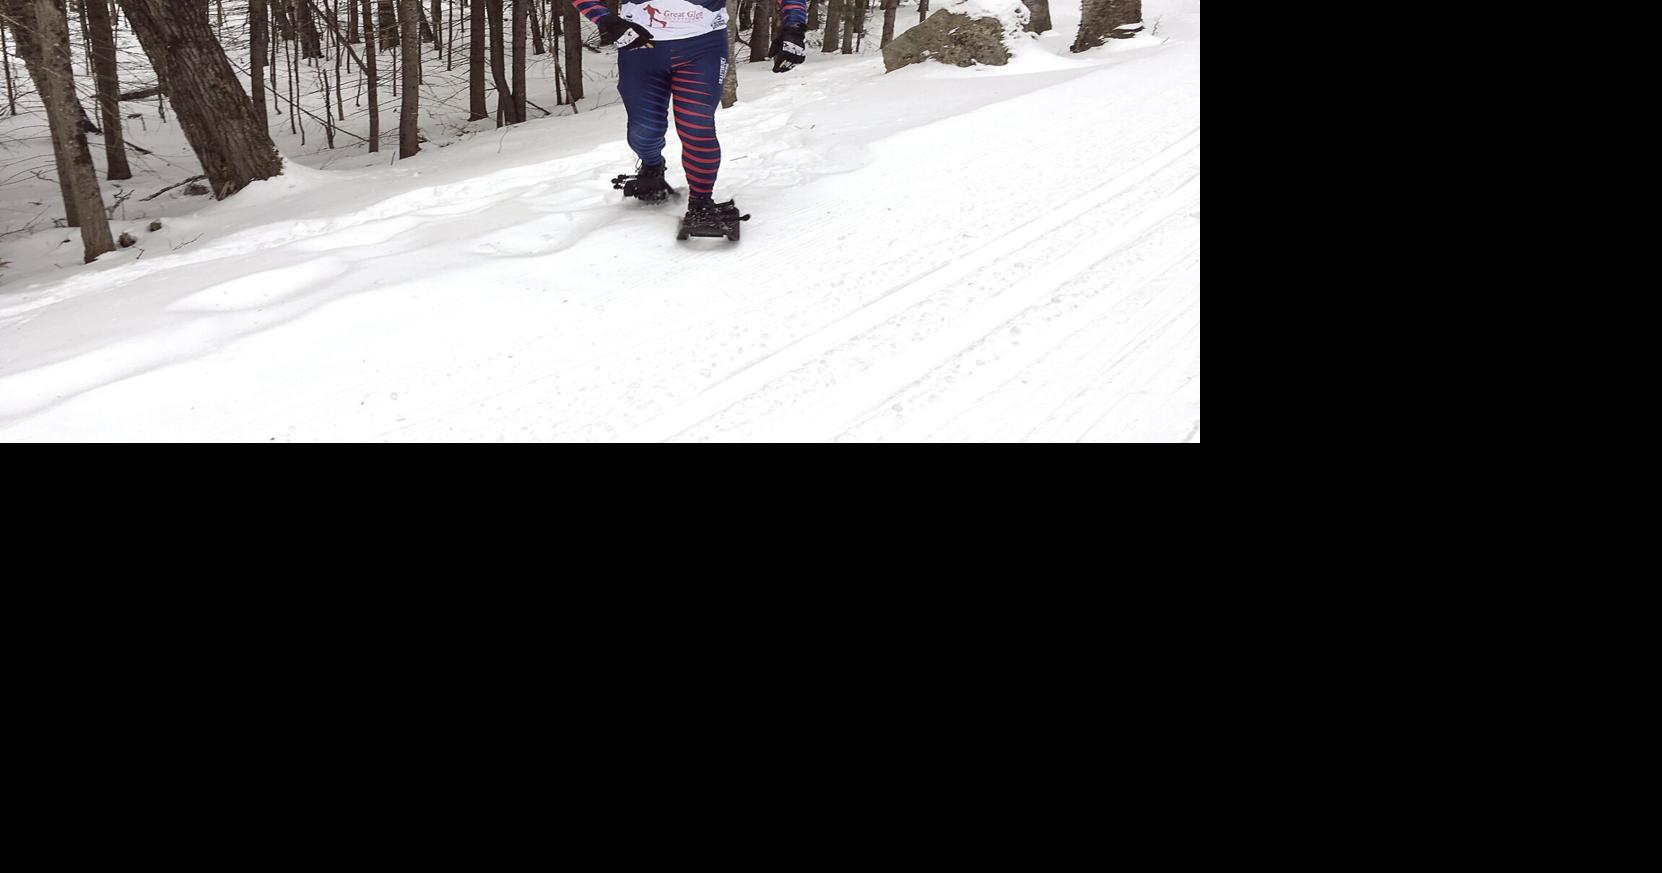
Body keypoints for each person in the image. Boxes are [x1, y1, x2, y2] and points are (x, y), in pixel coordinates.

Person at [573, 0, 809, 228]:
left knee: (696, 125)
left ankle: (701, 202)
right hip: (640, 48)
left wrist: (794, 28)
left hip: (703, 49)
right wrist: (606, 21)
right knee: (644, 131)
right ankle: (652, 166)